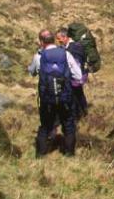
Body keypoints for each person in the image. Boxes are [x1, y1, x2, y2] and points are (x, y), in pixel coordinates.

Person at [29, 29, 82, 157]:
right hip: (65, 97)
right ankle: (69, 154)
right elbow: (78, 75)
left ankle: (40, 155)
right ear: (54, 39)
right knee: (68, 125)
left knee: (45, 126)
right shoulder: (66, 54)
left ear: (41, 42)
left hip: (46, 99)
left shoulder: (38, 57)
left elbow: (32, 72)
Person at [56, 28, 88, 118]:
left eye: (59, 38)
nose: (58, 41)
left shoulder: (75, 47)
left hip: (76, 76)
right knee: (77, 94)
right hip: (71, 75)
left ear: (65, 37)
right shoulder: (66, 47)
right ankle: (82, 112)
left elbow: (77, 63)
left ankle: (79, 114)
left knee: (76, 94)